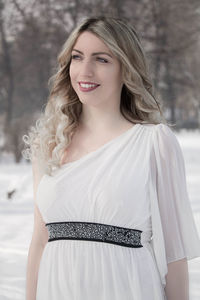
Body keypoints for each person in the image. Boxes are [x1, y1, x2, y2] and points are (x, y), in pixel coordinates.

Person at [22, 16, 200, 300]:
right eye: (77, 57)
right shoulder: (48, 145)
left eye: (102, 60)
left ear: (126, 69)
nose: (85, 70)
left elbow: (174, 257)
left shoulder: (154, 143)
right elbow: (40, 241)